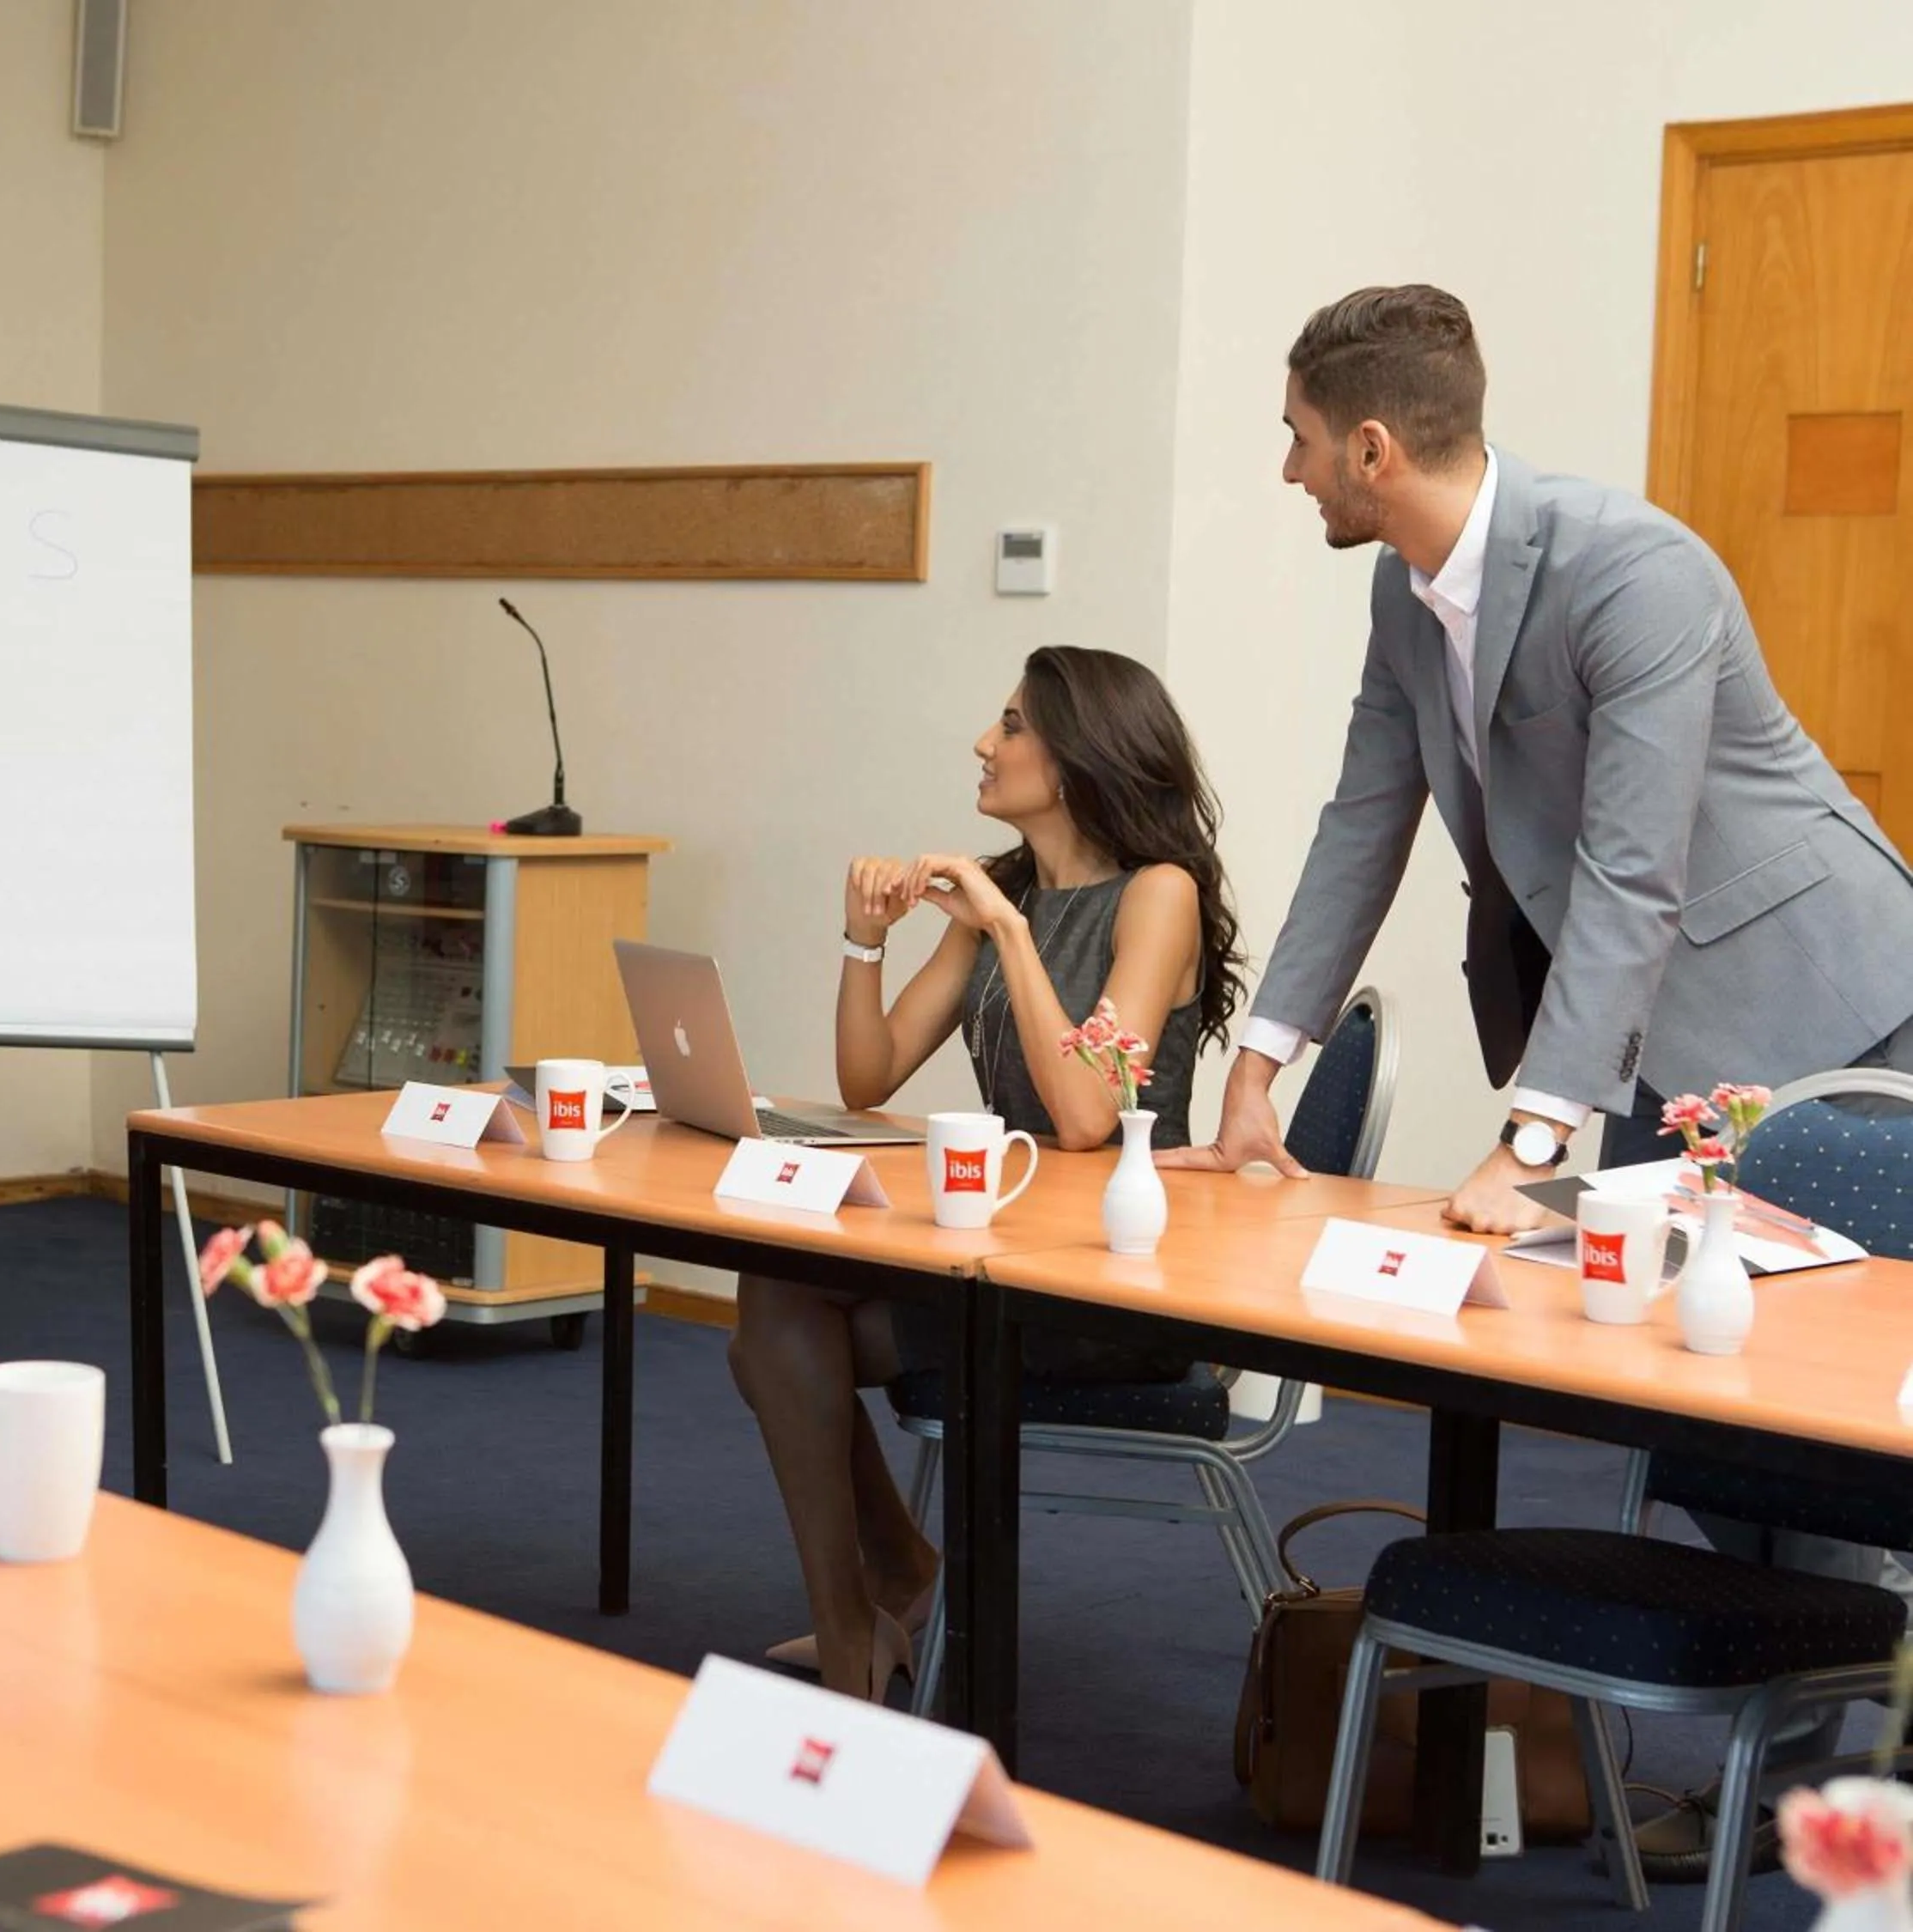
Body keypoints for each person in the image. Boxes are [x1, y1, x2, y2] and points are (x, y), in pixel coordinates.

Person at [1163, 283, 1913, 1877]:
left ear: (1374, 445)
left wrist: (1534, 1136)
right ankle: (1794, 1772)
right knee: (1724, 1424)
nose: (1286, 470)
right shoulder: (1406, 593)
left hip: (1824, 999)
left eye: (1298, 441)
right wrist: (1264, 1064)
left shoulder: (1633, 569)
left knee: (1826, 1412)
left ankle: (1825, 1776)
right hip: (1648, 1024)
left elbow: (1635, 874)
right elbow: (1362, 821)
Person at [726, 646, 1244, 1700]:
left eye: (1011, 725)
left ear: (1079, 754)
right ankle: (870, 1611)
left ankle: (873, 1621)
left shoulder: (1160, 895)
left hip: (1111, 1284)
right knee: (775, 1306)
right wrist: (863, 943)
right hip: (999, 1257)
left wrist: (1011, 934)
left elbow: (1090, 1116)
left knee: (781, 1340)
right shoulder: (1003, 892)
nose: (983, 743)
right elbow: (867, 1077)